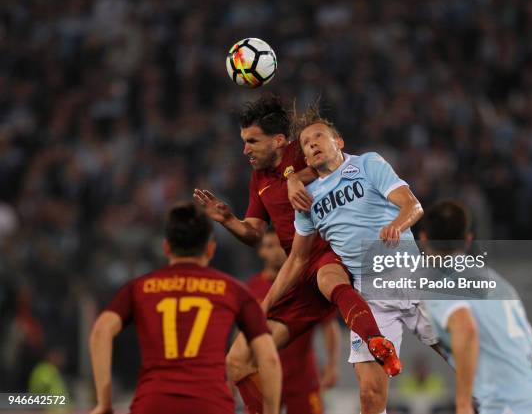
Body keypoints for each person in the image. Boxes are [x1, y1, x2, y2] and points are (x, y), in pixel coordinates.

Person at [193, 95, 399, 414]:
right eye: (243, 141)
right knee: (238, 360)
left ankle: (375, 340)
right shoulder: (258, 178)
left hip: (331, 252)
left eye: (251, 141)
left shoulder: (303, 150)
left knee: (329, 277)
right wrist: (229, 220)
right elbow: (255, 232)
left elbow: (335, 165)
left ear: (278, 141)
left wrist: (293, 177)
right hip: (298, 271)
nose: (245, 149)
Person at [263, 108, 442, 414]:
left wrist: (396, 226)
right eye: (305, 143)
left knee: (465, 360)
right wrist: (263, 307)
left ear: (339, 142)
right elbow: (296, 261)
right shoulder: (306, 200)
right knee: (370, 396)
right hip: (369, 296)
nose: (311, 144)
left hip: (411, 277)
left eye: (318, 136)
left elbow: (413, 206)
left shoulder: (368, 164)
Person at [88, 203, 281, 414]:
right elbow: (269, 358)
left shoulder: (140, 288)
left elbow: (100, 332)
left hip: (152, 404)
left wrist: (104, 402)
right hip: (210, 405)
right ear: (210, 249)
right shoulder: (234, 290)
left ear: (167, 248)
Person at [420, 200, 532, 414]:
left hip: (509, 405)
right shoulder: (500, 284)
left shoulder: (442, 282)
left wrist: (463, 404)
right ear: (468, 240)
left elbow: (465, 329)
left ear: (423, 239)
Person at [248, 229, 340, 414]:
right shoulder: (251, 288)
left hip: (302, 376)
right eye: (269, 246)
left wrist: (332, 365)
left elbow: (329, 326)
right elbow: (243, 332)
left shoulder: (307, 283)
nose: (275, 251)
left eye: (279, 245)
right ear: (261, 251)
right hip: (262, 374)